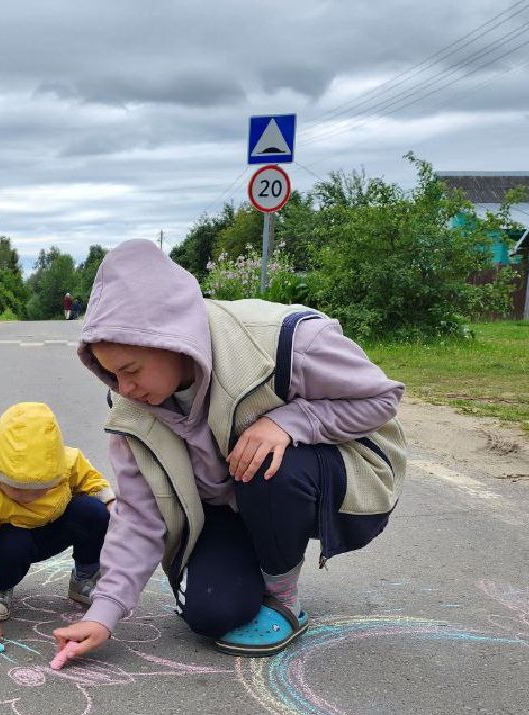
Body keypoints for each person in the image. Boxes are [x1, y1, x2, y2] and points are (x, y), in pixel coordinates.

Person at [53, 239, 406, 658]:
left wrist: (290, 423)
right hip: (229, 506)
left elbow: (381, 398)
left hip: (337, 484)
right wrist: (103, 613)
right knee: (211, 613)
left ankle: (282, 597)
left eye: (131, 370)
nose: (124, 388)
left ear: (171, 339)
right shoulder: (130, 406)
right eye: (112, 374)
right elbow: (138, 514)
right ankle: (256, 559)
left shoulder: (285, 341)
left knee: (264, 456)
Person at [0, 402, 116, 649]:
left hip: (49, 530)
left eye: (40, 489)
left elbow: (92, 481)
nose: (29, 498)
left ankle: (85, 577)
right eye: (17, 490)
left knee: (93, 511)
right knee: (13, 542)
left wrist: (111, 503)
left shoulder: (66, 462)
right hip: (8, 545)